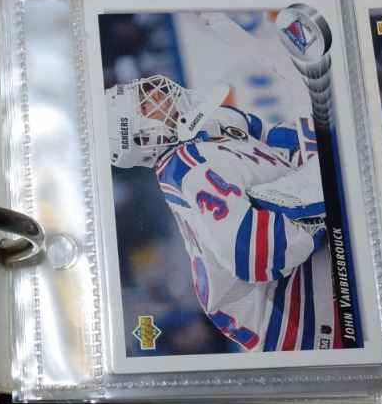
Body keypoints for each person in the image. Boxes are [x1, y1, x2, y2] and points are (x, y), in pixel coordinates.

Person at [103, 68, 339, 352]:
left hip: (305, 279)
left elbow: (281, 142)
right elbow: (254, 252)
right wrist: (323, 197)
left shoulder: (211, 121)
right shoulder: (187, 171)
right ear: (144, 139)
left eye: (145, 91)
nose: (155, 93)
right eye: (144, 104)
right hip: (295, 317)